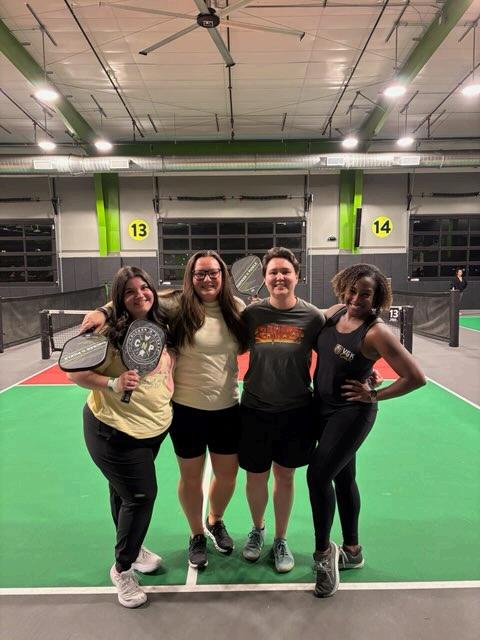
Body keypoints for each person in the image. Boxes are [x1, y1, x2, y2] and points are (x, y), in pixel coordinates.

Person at [81, 251, 247, 571]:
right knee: (191, 477)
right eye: (199, 273)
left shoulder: (236, 308)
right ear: (191, 277)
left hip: (227, 406)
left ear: (223, 275)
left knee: (227, 475)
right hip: (186, 409)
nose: (207, 279)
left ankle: (215, 521)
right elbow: (137, 296)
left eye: (213, 272)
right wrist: (103, 311)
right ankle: (196, 534)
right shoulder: (177, 305)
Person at [307, 263, 426, 598]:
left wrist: (373, 394)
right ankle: (353, 550)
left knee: (318, 477)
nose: (356, 298)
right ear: (343, 287)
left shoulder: (376, 333)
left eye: (365, 294)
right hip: (322, 408)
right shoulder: (333, 313)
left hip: (351, 413)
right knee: (343, 477)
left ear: (377, 298)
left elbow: (416, 377)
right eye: (352, 290)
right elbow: (319, 341)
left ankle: (323, 554)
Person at [68, 266, 175, 608]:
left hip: (153, 427)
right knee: (142, 496)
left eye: (145, 288)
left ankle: (132, 545)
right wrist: (112, 383)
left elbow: (179, 298)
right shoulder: (103, 332)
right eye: (130, 291)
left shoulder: (161, 321)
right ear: (118, 298)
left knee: (123, 492)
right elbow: (75, 373)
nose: (140, 295)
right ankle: (122, 569)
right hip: (113, 429)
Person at [239, 247, 325, 573]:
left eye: (285, 271)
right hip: (255, 409)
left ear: (297, 276)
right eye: (273, 272)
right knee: (255, 476)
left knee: (285, 476)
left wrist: (365, 372)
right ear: (264, 278)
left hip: (296, 411)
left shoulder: (313, 318)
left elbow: (334, 351)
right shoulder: (251, 315)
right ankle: (257, 529)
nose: (279, 277)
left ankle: (280, 538)